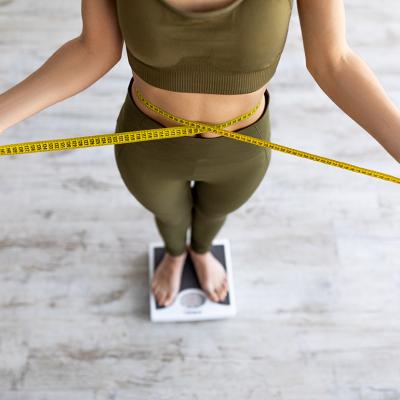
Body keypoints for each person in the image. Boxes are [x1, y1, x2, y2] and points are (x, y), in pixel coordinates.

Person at [1, 1, 399, 309]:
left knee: (214, 214)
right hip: (148, 146)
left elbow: (334, 61)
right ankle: (175, 254)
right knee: (169, 216)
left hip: (243, 149)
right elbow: (94, 49)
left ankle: (201, 250)